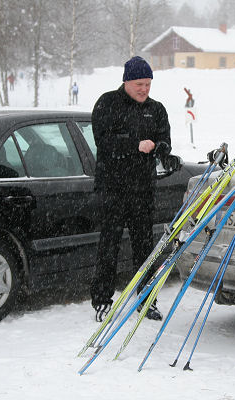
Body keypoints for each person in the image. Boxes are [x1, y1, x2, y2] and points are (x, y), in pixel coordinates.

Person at [90, 56, 171, 322]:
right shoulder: (107, 103)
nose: (144, 89)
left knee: (145, 246)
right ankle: (102, 300)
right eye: (139, 84)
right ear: (126, 81)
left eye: (148, 84)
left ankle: (147, 299)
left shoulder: (156, 109)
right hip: (112, 188)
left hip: (142, 189)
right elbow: (103, 141)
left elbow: (164, 140)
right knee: (109, 245)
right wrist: (134, 145)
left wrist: (164, 152)